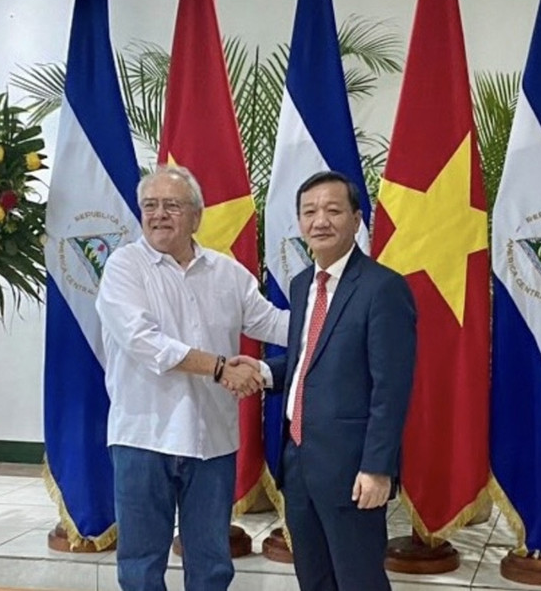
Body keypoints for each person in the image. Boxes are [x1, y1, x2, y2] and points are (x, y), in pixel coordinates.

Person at [95, 165, 288, 591]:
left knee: (212, 564)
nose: (159, 214)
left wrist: (338, 318)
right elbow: (145, 342)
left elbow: (273, 323)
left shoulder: (227, 273)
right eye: (150, 205)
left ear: (197, 216)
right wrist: (220, 367)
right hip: (144, 439)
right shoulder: (124, 267)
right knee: (141, 566)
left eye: (172, 205)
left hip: (211, 441)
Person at [231, 170, 417, 591]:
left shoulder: (383, 288)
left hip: (352, 468)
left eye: (333, 210)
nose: (320, 221)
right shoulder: (302, 285)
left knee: (358, 580)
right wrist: (263, 371)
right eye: (309, 212)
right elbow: (310, 361)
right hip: (298, 461)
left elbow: (390, 389)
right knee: (313, 577)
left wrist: (378, 468)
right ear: (299, 222)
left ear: (356, 219)